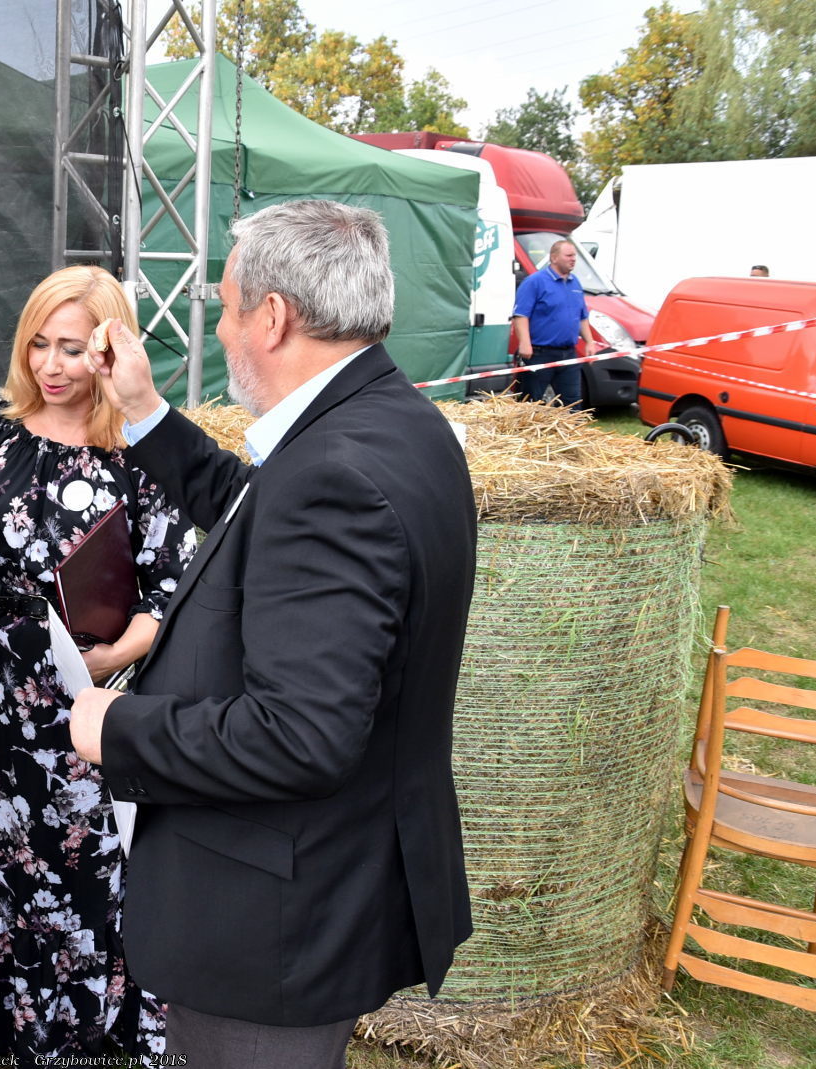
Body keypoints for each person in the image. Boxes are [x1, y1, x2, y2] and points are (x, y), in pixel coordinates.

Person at [69, 200, 477, 1069]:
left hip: (276, 926)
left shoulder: (335, 473)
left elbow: (301, 734)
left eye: (225, 308)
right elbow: (257, 514)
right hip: (333, 878)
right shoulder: (391, 421)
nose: (220, 331)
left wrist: (120, 726)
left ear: (275, 316)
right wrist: (144, 410)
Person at [0, 265, 195, 1065]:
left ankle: (93, 1018)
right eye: (38, 344)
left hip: (92, 697)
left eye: (72, 348)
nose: (51, 365)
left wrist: (112, 655)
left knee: (84, 852)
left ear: (110, 351)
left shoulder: (141, 448)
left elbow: (172, 589)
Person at [511, 238, 599, 407]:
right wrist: (525, 343)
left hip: (568, 354)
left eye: (574, 255)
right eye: (568, 255)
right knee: (530, 403)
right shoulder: (535, 282)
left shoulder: (575, 283)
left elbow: (582, 316)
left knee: (572, 403)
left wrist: (589, 342)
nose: (573, 259)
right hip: (539, 354)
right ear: (554, 258)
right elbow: (521, 315)